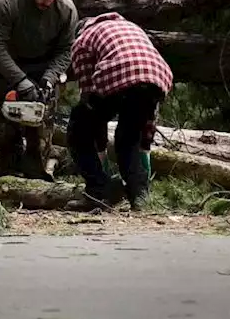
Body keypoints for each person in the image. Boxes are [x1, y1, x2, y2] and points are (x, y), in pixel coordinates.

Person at [66, 12, 173, 211]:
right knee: (128, 138)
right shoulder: (132, 27)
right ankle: (139, 196)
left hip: (118, 74)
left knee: (78, 129)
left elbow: (88, 95)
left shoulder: (82, 40)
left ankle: (98, 192)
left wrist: (97, 143)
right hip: (158, 78)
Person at [0, 0, 78, 178]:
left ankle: (37, 177)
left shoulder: (66, 10)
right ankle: (8, 177)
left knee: (41, 133)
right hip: (8, 68)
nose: (46, 2)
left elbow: (66, 50)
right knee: (6, 133)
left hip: (43, 68)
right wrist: (20, 80)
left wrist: (49, 78)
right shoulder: (8, 2)